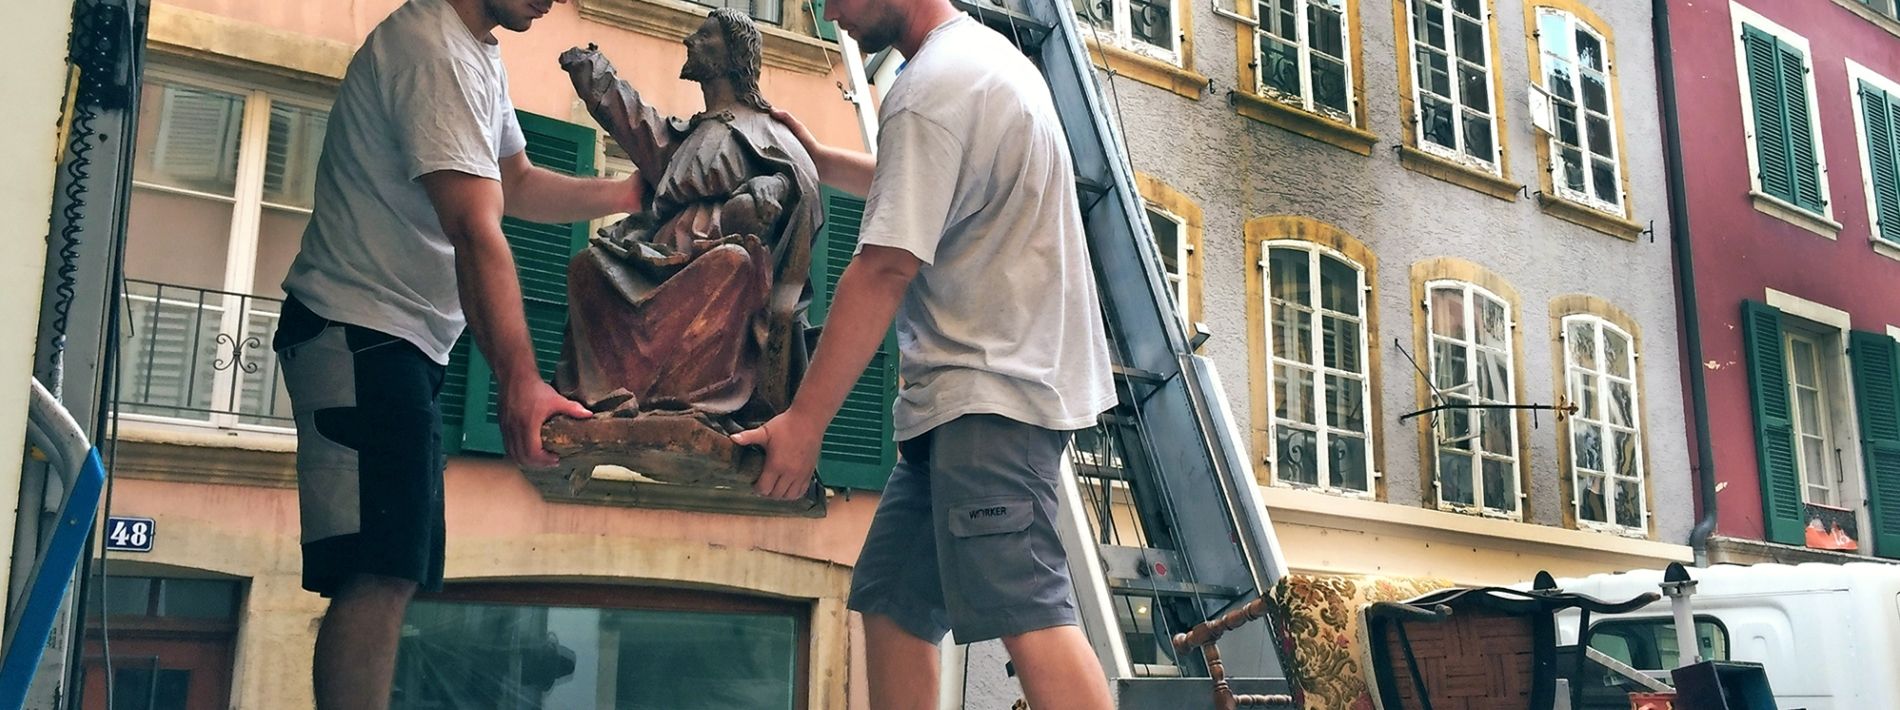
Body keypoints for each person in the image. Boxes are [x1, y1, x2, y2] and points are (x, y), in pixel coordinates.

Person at [730, 0, 1119, 707]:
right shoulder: (980, 62)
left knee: (1028, 610)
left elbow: (882, 269)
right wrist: (820, 162)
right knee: (893, 602)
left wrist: (804, 425)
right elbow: (926, 180)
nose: (827, 10)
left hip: (990, 395)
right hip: (976, 398)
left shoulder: (931, 87)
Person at [271, 0, 635, 707]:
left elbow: (517, 184)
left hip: (393, 342)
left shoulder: (475, 50)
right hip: (361, 332)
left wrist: (626, 191)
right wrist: (520, 379)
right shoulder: (431, 50)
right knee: (377, 573)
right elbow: (475, 227)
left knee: (392, 571)